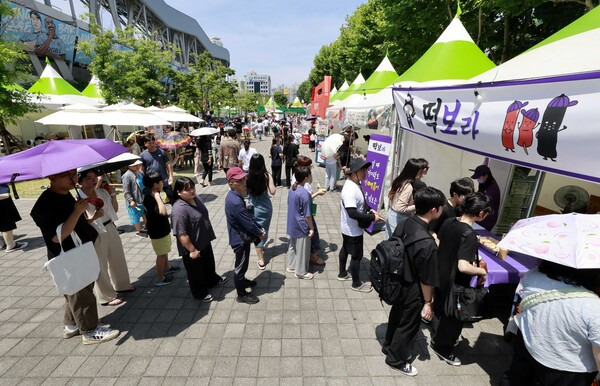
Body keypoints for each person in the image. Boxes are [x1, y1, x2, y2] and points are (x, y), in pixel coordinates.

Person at [30, 169, 120, 345]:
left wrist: (90, 217)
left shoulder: (67, 195)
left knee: (73, 290)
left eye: (74, 174)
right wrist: (77, 212)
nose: (73, 178)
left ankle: (71, 324)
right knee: (81, 292)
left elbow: (75, 224)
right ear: (51, 176)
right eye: (67, 175)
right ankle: (90, 331)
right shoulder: (44, 204)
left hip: (79, 250)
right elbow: (57, 236)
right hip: (68, 254)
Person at [499, 262, 600, 385]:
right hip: (567, 368)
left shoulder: (533, 275)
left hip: (528, 341)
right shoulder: (593, 307)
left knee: (516, 378)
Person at [383, 187, 445, 376]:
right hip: (413, 288)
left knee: (396, 315)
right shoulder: (427, 243)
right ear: (434, 210)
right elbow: (426, 280)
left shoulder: (407, 222)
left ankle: (388, 345)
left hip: (397, 280)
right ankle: (397, 359)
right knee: (409, 325)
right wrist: (428, 303)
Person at [430, 192, 492, 367]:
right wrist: (481, 271)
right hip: (455, 282)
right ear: (481, 214)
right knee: (454, 318)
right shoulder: (469, 234)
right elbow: (463, 266)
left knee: (441, 310)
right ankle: (442, 347)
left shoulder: (450, 221)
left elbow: (440, 242)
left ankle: (438, 338)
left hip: (441, 274)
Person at [78, 169, 133, 306]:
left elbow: (113, 210)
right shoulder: (78, 199)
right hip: (94, 231)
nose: (93, 180)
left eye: (94, 177)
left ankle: (122, 284)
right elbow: (78, 223)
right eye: (88, 178)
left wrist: (112, 194)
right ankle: (106, 295)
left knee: (117, 256)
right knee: (100, 264)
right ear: (80, 182)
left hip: (110, 226)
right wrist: (93, 218)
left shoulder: (101, 192)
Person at [171, 177, 227, 302]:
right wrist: (192, 250)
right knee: (195, 272)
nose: (191, 191)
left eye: (192, 187)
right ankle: (199, 292)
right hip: (193, 246)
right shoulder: (179, 210)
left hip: (204, 240)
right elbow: (181, 234)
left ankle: (211, 280)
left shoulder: (196, 199)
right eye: (187, 189)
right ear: (178, 192)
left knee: (208, 263)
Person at [338, 158, 383, 292]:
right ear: (353, 172)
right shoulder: (350, 190)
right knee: (357, 255)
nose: (365, 173)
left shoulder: (355, 184)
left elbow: (361, 203)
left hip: (348, 227)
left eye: (365, 170)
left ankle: (342, 273)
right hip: (353, 229)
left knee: (346, 248)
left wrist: (370, 209)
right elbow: (352, 212)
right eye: (362, 170)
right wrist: (372, 217)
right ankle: (356, 283)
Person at [224, 167, 266, 305]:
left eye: (244, 178)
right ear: (231, 183)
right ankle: (241, 294)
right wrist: (260, 233)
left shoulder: (234, 196)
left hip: (240, 237)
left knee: (243, 264)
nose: (244, 182)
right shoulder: (235, 201)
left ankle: (242, 282)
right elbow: (248, 223)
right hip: (239, 240)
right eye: (239, 180)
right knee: (240, 267)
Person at [142, 172, 179, 287]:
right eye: (160, 181)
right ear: (155, 185)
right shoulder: (150, 198)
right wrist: (158, 197)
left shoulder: (154, 194)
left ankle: (167, 267)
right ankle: (160, 277)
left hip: (162, 229)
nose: (163, 182)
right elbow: (163, 212)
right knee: (161, 254)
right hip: (157, 231)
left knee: (164, 250)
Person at [292, 156, 327, 266]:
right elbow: (306, 198)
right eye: (309, 166)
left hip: (303, 210)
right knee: (313, 233)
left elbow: (310, 181)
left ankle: (309, 254)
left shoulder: (300, 176)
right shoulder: (299, 182)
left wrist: (310, 171)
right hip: (305, 211)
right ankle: (312, 256)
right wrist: (318, 193)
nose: (311, 167)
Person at [247, 154, 276, 270]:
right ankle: (261, 257)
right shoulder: (267, 176)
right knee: (263, 231)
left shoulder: (247, 176)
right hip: (266, 208)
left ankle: (261, 258)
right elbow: (273, 191)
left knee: (258, 232)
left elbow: (244, 192)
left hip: (253, 208)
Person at [385, 158, 427, 239]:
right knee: (395, 244)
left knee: (388, 240)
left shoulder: (399, 180)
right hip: (399, 218)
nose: (421, 173)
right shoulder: (408, 187)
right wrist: (416, 206)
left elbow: (391, 196)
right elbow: (400, 207)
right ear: (414, 171)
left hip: (392, 213)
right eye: (420, 171)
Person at [286, 166, 315, 280]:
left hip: (291, 222)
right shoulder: (304, 194)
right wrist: (311, 228)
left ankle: (292, 266)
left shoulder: (292, 188)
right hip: (301, 225)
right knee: (302, 249)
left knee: (292, 246)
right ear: (306, 178)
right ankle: (301, 272)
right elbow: (307, 215)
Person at [140, 135, 174, 203]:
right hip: (152, 180)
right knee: (155, 199)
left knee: (171, 196)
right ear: (145, 144)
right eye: (149, 143)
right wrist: (142, 179)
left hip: (164, 179)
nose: (152, 145)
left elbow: (168, 164)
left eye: (153, 142)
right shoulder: (142, 155)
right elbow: (141, 169)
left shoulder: (162, 152)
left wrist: (170, 176)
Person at [470, 164, 501, 232]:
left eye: (479, 178)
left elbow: (484, 205)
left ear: (486, 176)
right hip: (479, 216)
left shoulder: (492, 190)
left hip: (486, 219)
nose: (478, 180)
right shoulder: (484, 183)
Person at [121, 160, 147, 238]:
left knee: (144, 213)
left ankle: (147, 227)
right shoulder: (127, 176)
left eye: (137, 165)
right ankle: (138, 231)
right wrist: (130, 200)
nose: (137, 166)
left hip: (142, 198)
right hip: (134, 200)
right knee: (135, 216)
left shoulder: (139, 173)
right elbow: (126, 191)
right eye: (135, 165)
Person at [0, 184, 28, 252]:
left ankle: (0, 244)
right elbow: (4, 194)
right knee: (6, 224)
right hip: (2, 202)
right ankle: (11, 245)